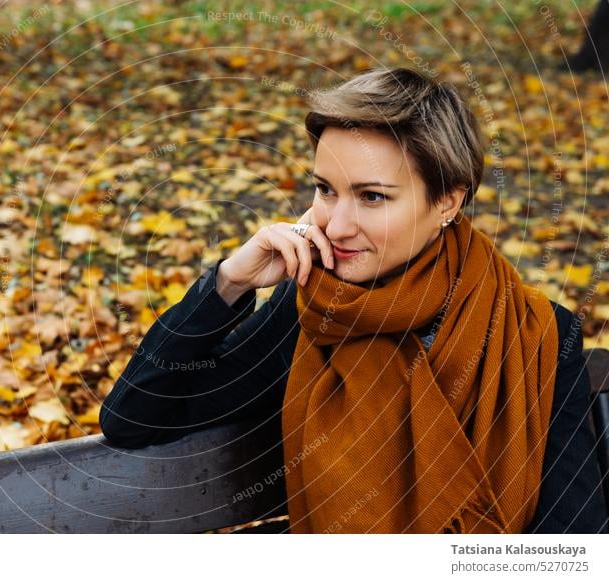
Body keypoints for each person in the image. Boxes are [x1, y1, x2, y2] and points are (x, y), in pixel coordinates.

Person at [99, 68, 608, 534]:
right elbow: (135, 417)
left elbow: (574, 534)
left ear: (448, 201)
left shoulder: (533, 331)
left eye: (372, 197)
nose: (337, 226)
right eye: (325, 190)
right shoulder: (309, 312)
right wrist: (230, 282)